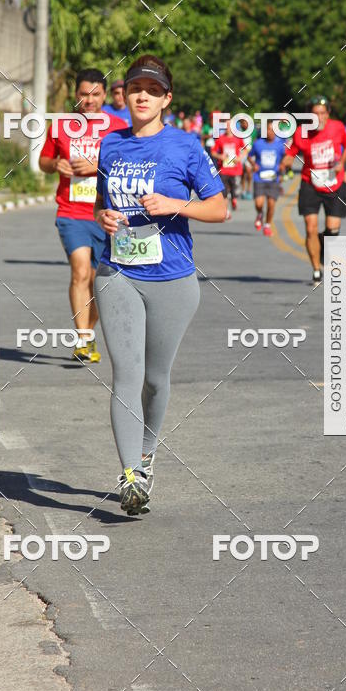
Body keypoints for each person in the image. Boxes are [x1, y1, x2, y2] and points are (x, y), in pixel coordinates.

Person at [93, 55, 225, 516]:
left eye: (152, 89)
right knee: (126, 375)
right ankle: (130, 474)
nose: (142, 95)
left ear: (167, 99)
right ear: (124, 97)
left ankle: (147, 456)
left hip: (173, 279)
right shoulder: (110, 146)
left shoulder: (185, 146)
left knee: (154, 378)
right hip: (118, 274)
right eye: (134, 88)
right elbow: (101, 206)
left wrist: (175, 204)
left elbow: (219, 209)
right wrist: (104, 216)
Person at [39, 68, 127, 362]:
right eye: (83, 95)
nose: (88, 101)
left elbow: (128, 166)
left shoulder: (117, 128)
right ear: (75, 95)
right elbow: (43, 161)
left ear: (104, 96)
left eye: (95, 94)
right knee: (80, 272)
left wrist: (97, 166)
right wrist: (57, 165)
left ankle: (88, 333)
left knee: (100, 280)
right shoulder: (62, 126)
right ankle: (82, 339)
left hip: (106, 213)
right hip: (72, 211)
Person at [279, 96, 346, 283]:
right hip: (310, 183)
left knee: (332, 231)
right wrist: (285, 162)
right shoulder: (302, 132)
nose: (319, 117)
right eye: (314, 114)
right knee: (310, 228)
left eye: (322, 113)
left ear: (328, 114)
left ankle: (322, 242)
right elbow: (291, 153)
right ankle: (316, 269)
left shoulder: (338, 127)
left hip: (335, 182)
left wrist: (341, 163)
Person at [248, 121, 286, 236]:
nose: (271, 132)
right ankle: (260, 214)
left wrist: (283, 167)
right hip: (259, 177)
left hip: (274, 178)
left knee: (271, 204)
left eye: (273, 130)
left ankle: (267, 225)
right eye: (269, 130)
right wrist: (254, 165)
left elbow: (287, 158)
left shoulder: (280, 146)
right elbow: (250, 156)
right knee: (259, 204)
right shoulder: (258, 144)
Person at [211, 118, 247, 212]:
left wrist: (240, 158)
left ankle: (234, 199)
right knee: (224, 192)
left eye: (229, 125)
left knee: (235, 190)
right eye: (226, 125)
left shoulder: (238, 138)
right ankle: (226, 211)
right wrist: (220, 156)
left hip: (235, 169)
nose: (227, 127)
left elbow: (245, 149)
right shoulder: (220, 139)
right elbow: (213, 152)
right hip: (224, 169)